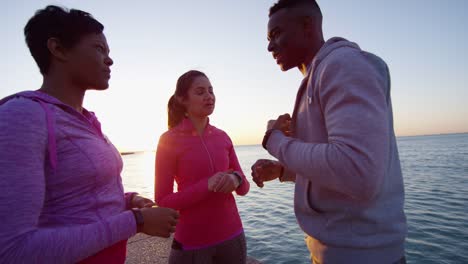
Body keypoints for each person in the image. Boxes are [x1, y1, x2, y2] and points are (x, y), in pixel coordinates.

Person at [0, 5, 178, 263]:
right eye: (98, 49)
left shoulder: (87, 120)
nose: (109, 59)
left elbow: (75, 199)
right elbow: (13, 251)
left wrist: (127, 200)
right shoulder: (23, 116)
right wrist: (136, 222)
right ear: (58, 49)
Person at [251, 0, 407, 263]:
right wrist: (283, 170)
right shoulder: (319, 75)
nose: (269, 46)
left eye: (276, 34)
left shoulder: (343, 65)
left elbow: (357, 172)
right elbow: (337, 169)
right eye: (268, 38)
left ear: (308, 26)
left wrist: (274, 139)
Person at [155, 70, 250, 264]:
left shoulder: (223, 137)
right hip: (192, 243)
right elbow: (163, 201)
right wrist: (206, 185)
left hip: (232, 238)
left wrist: (236, 179)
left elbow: (244, 186)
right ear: (182, 99)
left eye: (211, 90)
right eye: (200, 92)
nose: (209, 96)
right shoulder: (168, 140)